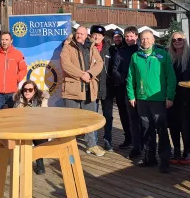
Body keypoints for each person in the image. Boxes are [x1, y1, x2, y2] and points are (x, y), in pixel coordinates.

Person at [127, 30, 176, 173]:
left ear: (153, 40)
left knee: (161, 130)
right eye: (142, 39)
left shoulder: (162, 55)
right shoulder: (135, 56)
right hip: (142, 99)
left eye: (148, 39)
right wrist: (131, 95)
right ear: (139, 40)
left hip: (159, 99)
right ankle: (149, 158)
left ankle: (165, 160)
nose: (145, 41)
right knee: (147, 130)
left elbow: (171, 78)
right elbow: (130, 78)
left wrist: (170, 96)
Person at [60, 26, 104, 157]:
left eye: (82, 34)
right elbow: (65, 64)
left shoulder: (92, 47)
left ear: (86, 35)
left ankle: (91, 145)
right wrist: (81, 75)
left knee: (89, 120)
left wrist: (90, 74)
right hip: (72, 89)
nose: (79, 36)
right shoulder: (68, 46)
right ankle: (68, 146)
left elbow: (100, 63)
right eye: (78, 33)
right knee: (70, 121)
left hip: (89, 89)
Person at [0, 31, 27, 154]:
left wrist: (16, 78)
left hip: (12, 92)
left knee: (11, 119)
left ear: (11, 41)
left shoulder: (18, 54)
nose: (4, 41)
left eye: (6, 39)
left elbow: (24, 69)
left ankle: (12, 143)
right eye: (2, 39)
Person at [166, 32, 190, 165]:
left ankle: (187, 151)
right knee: (173, 124)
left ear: (184, 40)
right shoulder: (168, 55)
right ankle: (176, 151)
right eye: (174, 40)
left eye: (180, 39)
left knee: (186, 124)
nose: (177, 41)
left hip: (187, 95)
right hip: (172, 95)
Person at [111, 26, 141, 157]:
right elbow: (115, 69)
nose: (129, 38)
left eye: (131, 36)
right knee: (125, 115)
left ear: (136, 37)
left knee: (139, 118)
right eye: (127, 36)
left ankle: (141, 143)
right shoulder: (121, 51)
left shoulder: (141, 50)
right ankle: (129, 138)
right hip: (124, 88)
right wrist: (124, 80)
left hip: (140, 89)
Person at [13, 80, 50, 175]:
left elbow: (44, 115)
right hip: (23, 128)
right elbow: (15, 117)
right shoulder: (18, 100)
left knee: (39, 140)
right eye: (25, 89)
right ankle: (21, 163)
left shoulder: (41, 99)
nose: (27, 92)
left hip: (37, 126)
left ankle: (40, 163)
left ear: (34, 90)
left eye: (30, 89)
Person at [89, 25, 113, 151]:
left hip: (107, 89)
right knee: (93, 116)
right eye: (94, 34)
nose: (96, 37)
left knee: (108, 116)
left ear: (103, 36)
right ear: (91, 35)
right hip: (92, 88)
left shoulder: (110, 49)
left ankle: (108, 140)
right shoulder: (87, 48)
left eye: (99, 35)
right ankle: (93, 142)